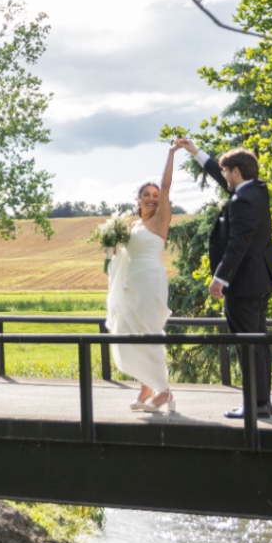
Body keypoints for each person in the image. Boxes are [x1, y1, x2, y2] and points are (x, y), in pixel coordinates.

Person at [176, 139, 272, 420]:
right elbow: (227, 186)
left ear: (235, 171)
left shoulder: (243, 199)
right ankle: (262, 403)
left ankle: (255, 405)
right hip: (261, 280)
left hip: (243, 284)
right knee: (258, 343)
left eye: (225, 173)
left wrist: (220, 278)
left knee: (247, 344)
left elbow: (238, 243)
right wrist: (196, 152)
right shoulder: (257, 191)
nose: (223, 178)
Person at [105, 139, 183, 415]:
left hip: (150, 281)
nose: (152, 198)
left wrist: (171, 153)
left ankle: (163, 390)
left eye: (154, 195)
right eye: (146, 195)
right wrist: (110, 247)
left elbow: (166, 186)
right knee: (128, 333)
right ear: (137, 199)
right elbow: (117, 256)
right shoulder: (133, 225)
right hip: (130, 284)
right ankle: (146, 387)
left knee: (149, 332)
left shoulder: (161, 219)